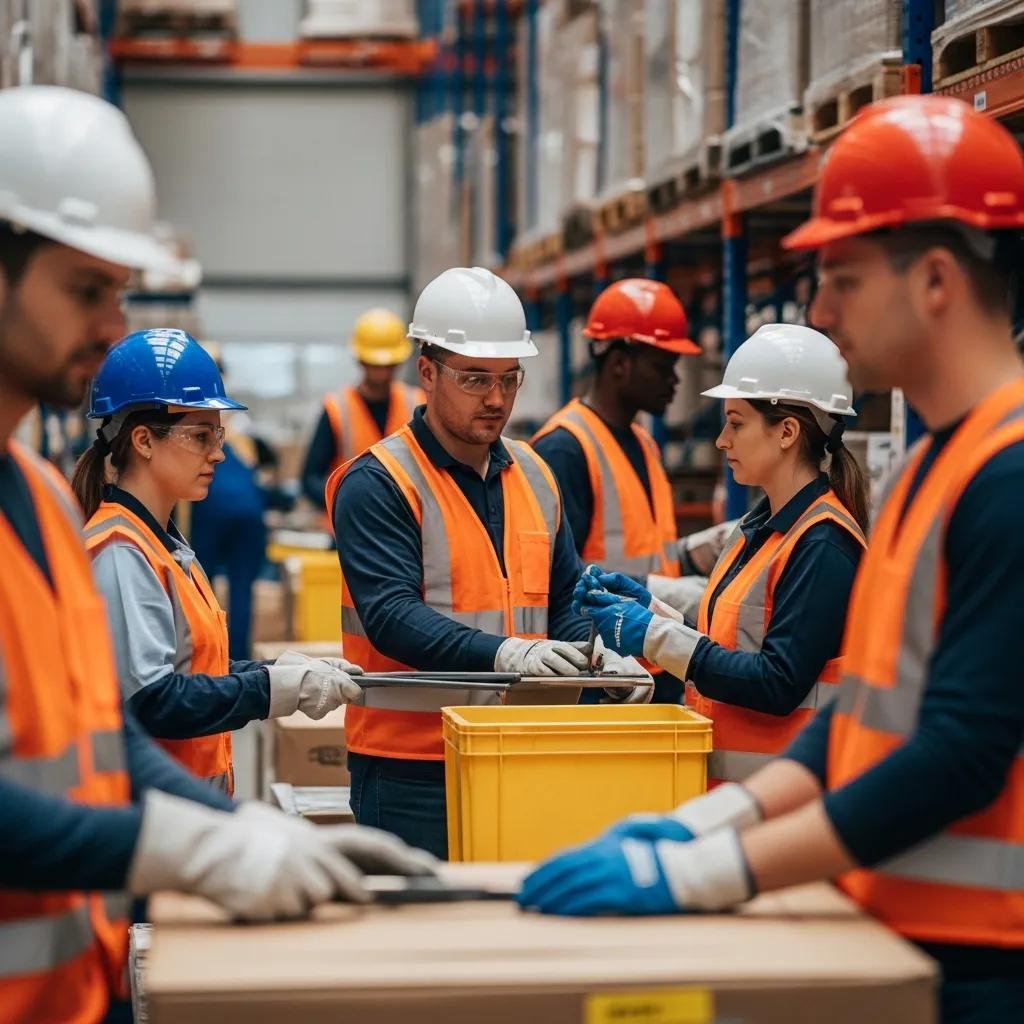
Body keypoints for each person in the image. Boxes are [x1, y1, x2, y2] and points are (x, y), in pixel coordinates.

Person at [518, 95, 1024, 1023]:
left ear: (936, 281)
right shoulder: (931, 470)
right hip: (897, 931)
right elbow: (858, 719)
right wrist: (710, 822)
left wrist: (716, 871)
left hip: (985, 962)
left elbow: (959, 755)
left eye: (843, 279)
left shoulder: (1010, 477)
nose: (822, 312)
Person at [0, 86, 433, 1024]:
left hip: (71, 984)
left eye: (118, 294)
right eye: (85, 291)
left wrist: (244, 829)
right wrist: (195, 848)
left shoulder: (38, 501)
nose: (109, 327)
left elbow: (104, 737)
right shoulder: (101, 536)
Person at [327, 266, 649, 859]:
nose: (496, 399)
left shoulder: (535, 474)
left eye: (509, 378)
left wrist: (598, 657)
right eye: (475, 378)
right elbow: (391, 616)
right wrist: (508, 655)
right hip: (411, 767)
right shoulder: (378, 482)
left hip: (520, 746)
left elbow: (562, 596)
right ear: (427, 373)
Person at [73, 328, 368, 794]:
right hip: (158, 814)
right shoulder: (121, 553)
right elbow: (154, 701)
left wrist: (279, 672)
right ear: (144, 441)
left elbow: (194, 670)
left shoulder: (164, 544)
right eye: (200, 436)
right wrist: (274, 690)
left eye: (218, 434)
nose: (219, 453)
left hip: (187, 808)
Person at [574, 323, 869, 785]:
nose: (721, 440)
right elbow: (730, 642)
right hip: (738, 793)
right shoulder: (760, 526)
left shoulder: (823, 544)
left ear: (787, 431)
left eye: (736, 423)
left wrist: (654, 636)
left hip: (787, 796)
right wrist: (652, 611)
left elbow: (777, 682)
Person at [532, 278, 702, 703]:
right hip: (606, 673)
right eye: (662, 366)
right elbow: (557, 578)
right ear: (620, 363)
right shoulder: (564, 448)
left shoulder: (642, 443)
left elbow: (645, 547)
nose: (674, 380)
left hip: (658, 657)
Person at [301, 307, 425, 515]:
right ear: (360, 360)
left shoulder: (417, 403)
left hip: (408, 522)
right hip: (350, 524)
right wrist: (349, 502)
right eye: (375, 364)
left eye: (388, 364)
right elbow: (310, 479)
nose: (382, 373)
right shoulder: (336, 409)